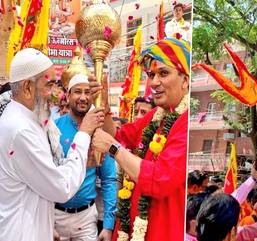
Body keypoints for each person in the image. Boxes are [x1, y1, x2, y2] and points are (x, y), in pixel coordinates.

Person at [90, 38, 190, 241]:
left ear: (186, 79)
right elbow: (118, 136)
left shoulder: (187, 123)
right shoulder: (156, 115)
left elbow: (160, 179)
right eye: (151, 75)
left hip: (162, 232)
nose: (153, 82)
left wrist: (112, 148)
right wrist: (105, 104)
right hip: (130, 227)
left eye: (163, 73)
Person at [0, 48, 104, 241]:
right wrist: (83, 133)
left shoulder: (30, 120)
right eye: (49, 85)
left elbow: (48, 172)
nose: (55, 95)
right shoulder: (20, 129)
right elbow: (61, 186)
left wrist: (84, 163)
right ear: (27, 88)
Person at [54, 74, 117, 241]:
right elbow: (43, 178)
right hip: (55, 216)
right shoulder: (54, 129)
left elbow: (108, 179)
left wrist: (108, 225)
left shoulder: (99, 133)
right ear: (68, 96)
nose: (83, 97)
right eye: (77, 92)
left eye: (87, 92)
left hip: (86, 218)